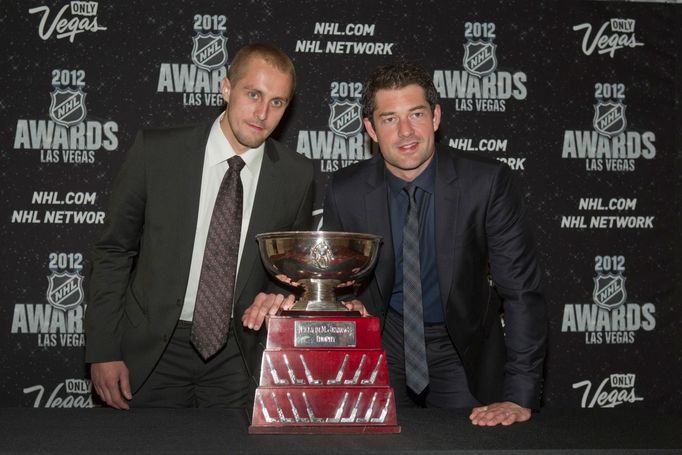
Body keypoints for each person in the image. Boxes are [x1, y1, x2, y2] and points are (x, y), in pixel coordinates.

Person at [85, 43, 314, 410]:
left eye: (277, 102)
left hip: (240, 353)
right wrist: (102, 349)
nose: (262, 113)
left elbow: (287, 271)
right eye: (253, 94)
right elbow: (113, 250)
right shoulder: (157, 152)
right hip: (151, 350)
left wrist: (277, 295)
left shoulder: (297, 176)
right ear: (226, 88)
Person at [322, 61, 547, 426]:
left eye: (416, 114)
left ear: (436, 116)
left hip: (460, 347)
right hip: (386, 341)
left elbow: (521, 291)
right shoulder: (345, 190)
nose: (406, 132)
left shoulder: (486, 183)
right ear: (371, 129)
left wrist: (518, 396)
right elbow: (333, 283)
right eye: (390, 119)